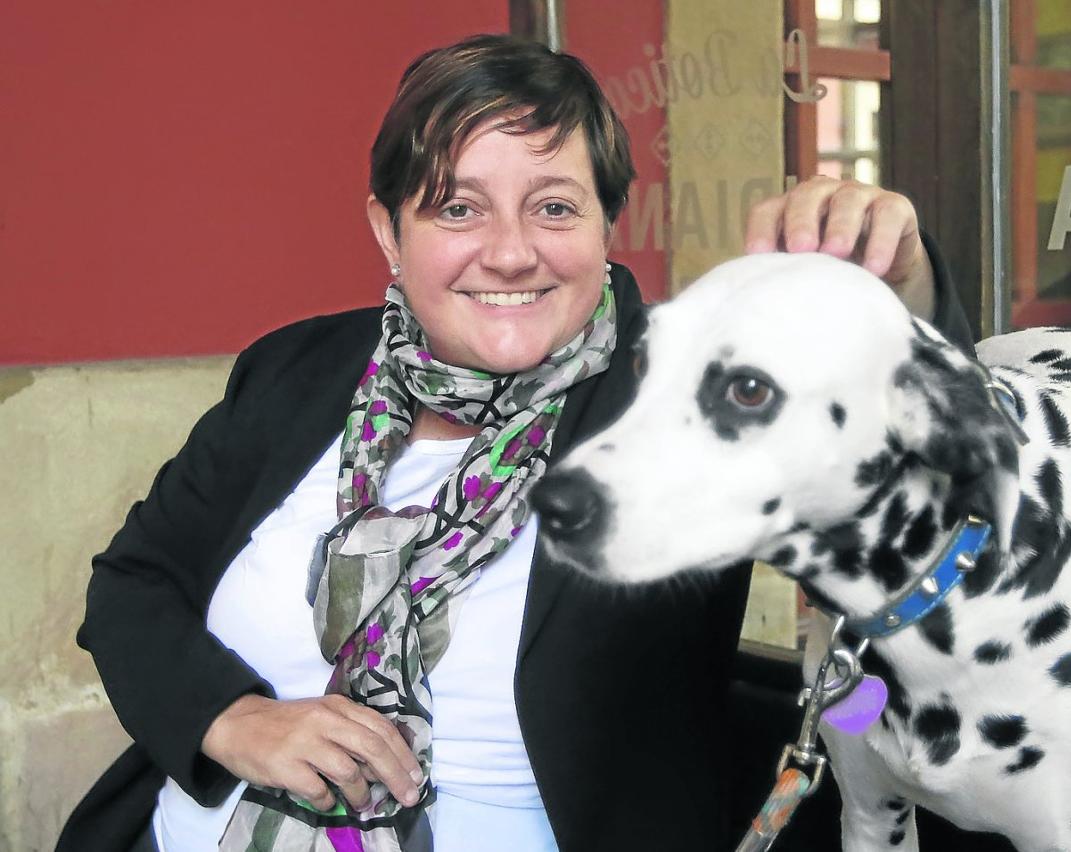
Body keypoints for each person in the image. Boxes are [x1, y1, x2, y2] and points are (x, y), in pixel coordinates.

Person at [59, 33, 974, 852]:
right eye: (458, 209)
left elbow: (931, 495)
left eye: (555, 208)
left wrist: (907, 291)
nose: (509, 252)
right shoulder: (298, 371)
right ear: (389, 231)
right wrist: (230, 718)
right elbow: (136, 582)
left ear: (607, 224)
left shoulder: (686, 394)